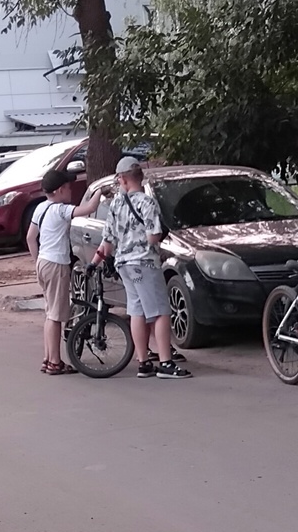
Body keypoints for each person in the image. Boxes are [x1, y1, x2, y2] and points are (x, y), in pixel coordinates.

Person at [89, 156, 190, 379]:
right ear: (139, 177)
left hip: (124, 265)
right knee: (160, 312)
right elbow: (153, 236)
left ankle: (143, 362)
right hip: (144, 263)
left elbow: (107, 242)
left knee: (137, 311)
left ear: (122, 179)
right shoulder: (147, 203)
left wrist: (93, 263)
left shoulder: (115, 204)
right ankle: (165, 362)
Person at [26, 166, 80, 374]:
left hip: (43, 262)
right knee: (57, 315)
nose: (70, 191)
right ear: (58, 190)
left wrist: (37, 259)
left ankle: (48, 357)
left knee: (50, 313)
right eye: (67, 187)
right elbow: (84, 209)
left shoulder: (41, 208)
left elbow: (31, 238)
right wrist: (99, 195)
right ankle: (55, 362)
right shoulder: (60, 209)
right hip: (57, 263)